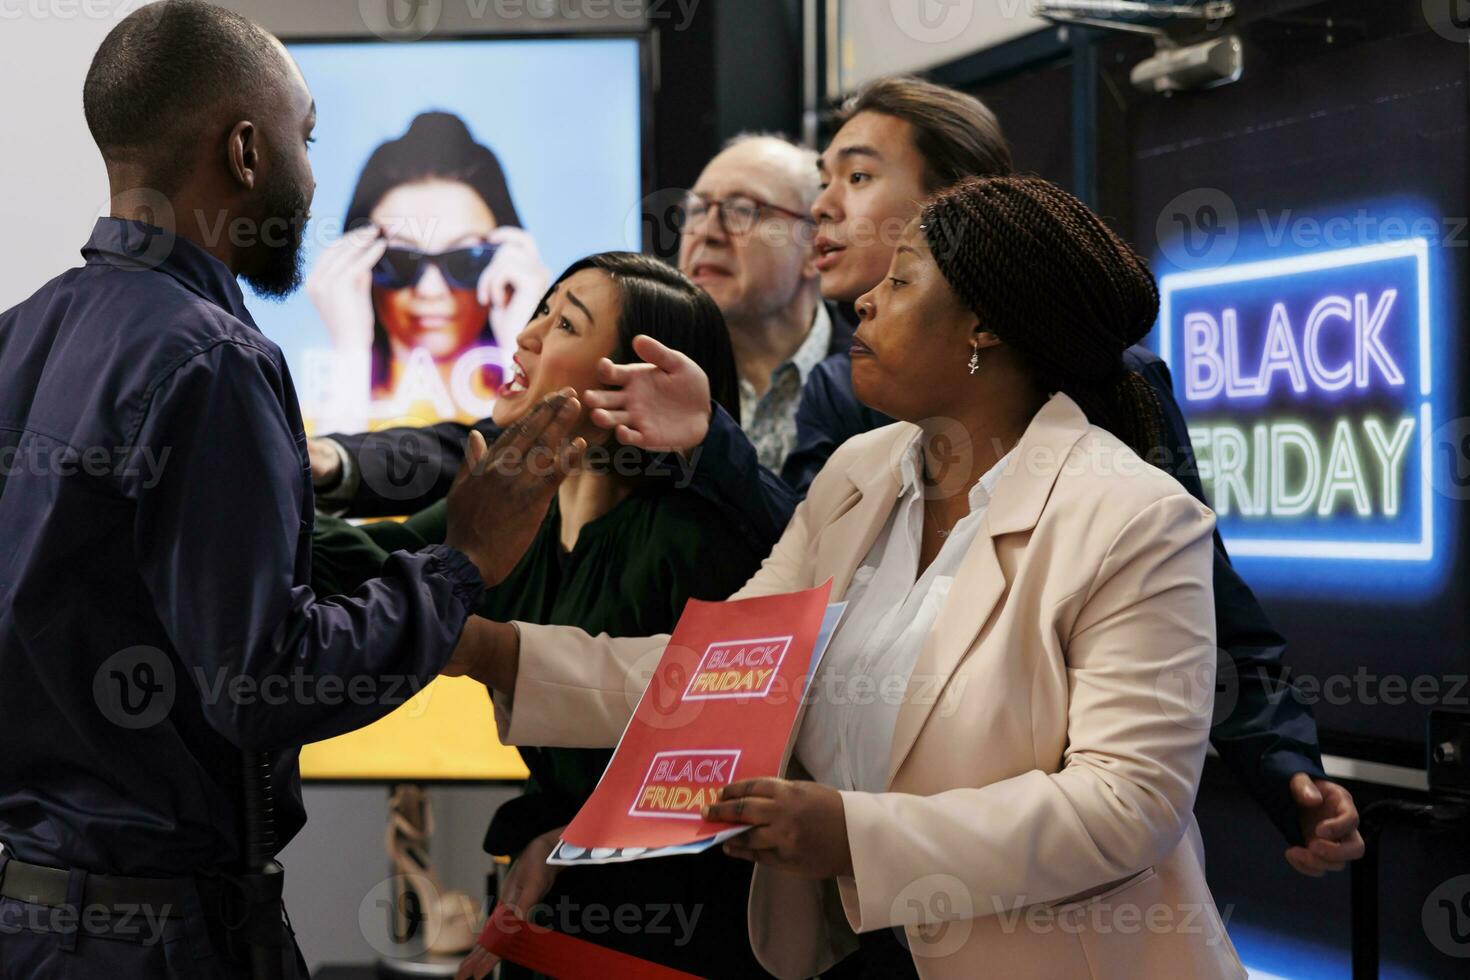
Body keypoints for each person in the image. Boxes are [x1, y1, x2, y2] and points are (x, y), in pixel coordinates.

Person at [449, 175, 1248, 979]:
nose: (864, 301)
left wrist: (855, 834)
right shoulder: (858, 474)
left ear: (987, 327)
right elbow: (719, 675)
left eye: (900, 280)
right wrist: (486, 649)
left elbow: (1129, 804)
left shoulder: (1133, 517)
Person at [582, 75, 1365, 879]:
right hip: (856, 899)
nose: (823, 206)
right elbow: (800, 587)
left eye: (856, 177)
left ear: (957, 203)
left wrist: (1281, 765)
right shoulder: (842, 403)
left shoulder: (1114, 403)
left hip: (1045, 888)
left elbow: (1202, 607)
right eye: (822, 182)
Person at [0, 4, 576, 977]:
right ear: (245, 150)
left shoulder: (22, 336)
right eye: (305, 141)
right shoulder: (213, 357)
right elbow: (266, 678)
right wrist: (459, 561)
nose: (311, 177)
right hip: (169, 943)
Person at [307, 254, 773, 978]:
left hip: (686, 927)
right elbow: (371, 567)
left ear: (633, 379)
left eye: (565, 324)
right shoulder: (521, 504)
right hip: (562, 900)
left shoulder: (691, 539)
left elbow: (732, 752)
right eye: (540, 311)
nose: (523, 337)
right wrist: (258, 475)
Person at [305, 110, 549, 433]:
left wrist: (525, 340)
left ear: (506, 261)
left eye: (466, 258)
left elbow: (546, 474)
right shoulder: (315, 422)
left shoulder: (557, 409)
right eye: (402, 259)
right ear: (357, 264)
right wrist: (349, 348)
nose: (431, 290)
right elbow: (325, 476)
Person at [675, 133, 844, 472]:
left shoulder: (881, 387)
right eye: (697, 209)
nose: (707, 232)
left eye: (742, 210)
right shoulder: (648, 374)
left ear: (816, 246)